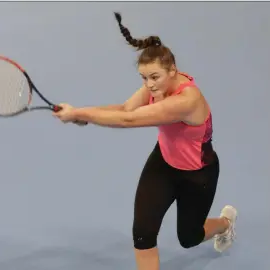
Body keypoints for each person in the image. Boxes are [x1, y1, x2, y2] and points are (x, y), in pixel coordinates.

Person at [53, 12, 238, 270]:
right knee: (142, 233)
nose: (149, 85)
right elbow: (127, 110)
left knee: (189, 237)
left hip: (198, 176)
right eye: (144, 77)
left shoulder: (187, 101)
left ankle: (226, 224)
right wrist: (83, 113)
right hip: (163, 164)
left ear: (172, 70)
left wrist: (79, 114)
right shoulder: (156, 86)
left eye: (154, 77)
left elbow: (130, 121)